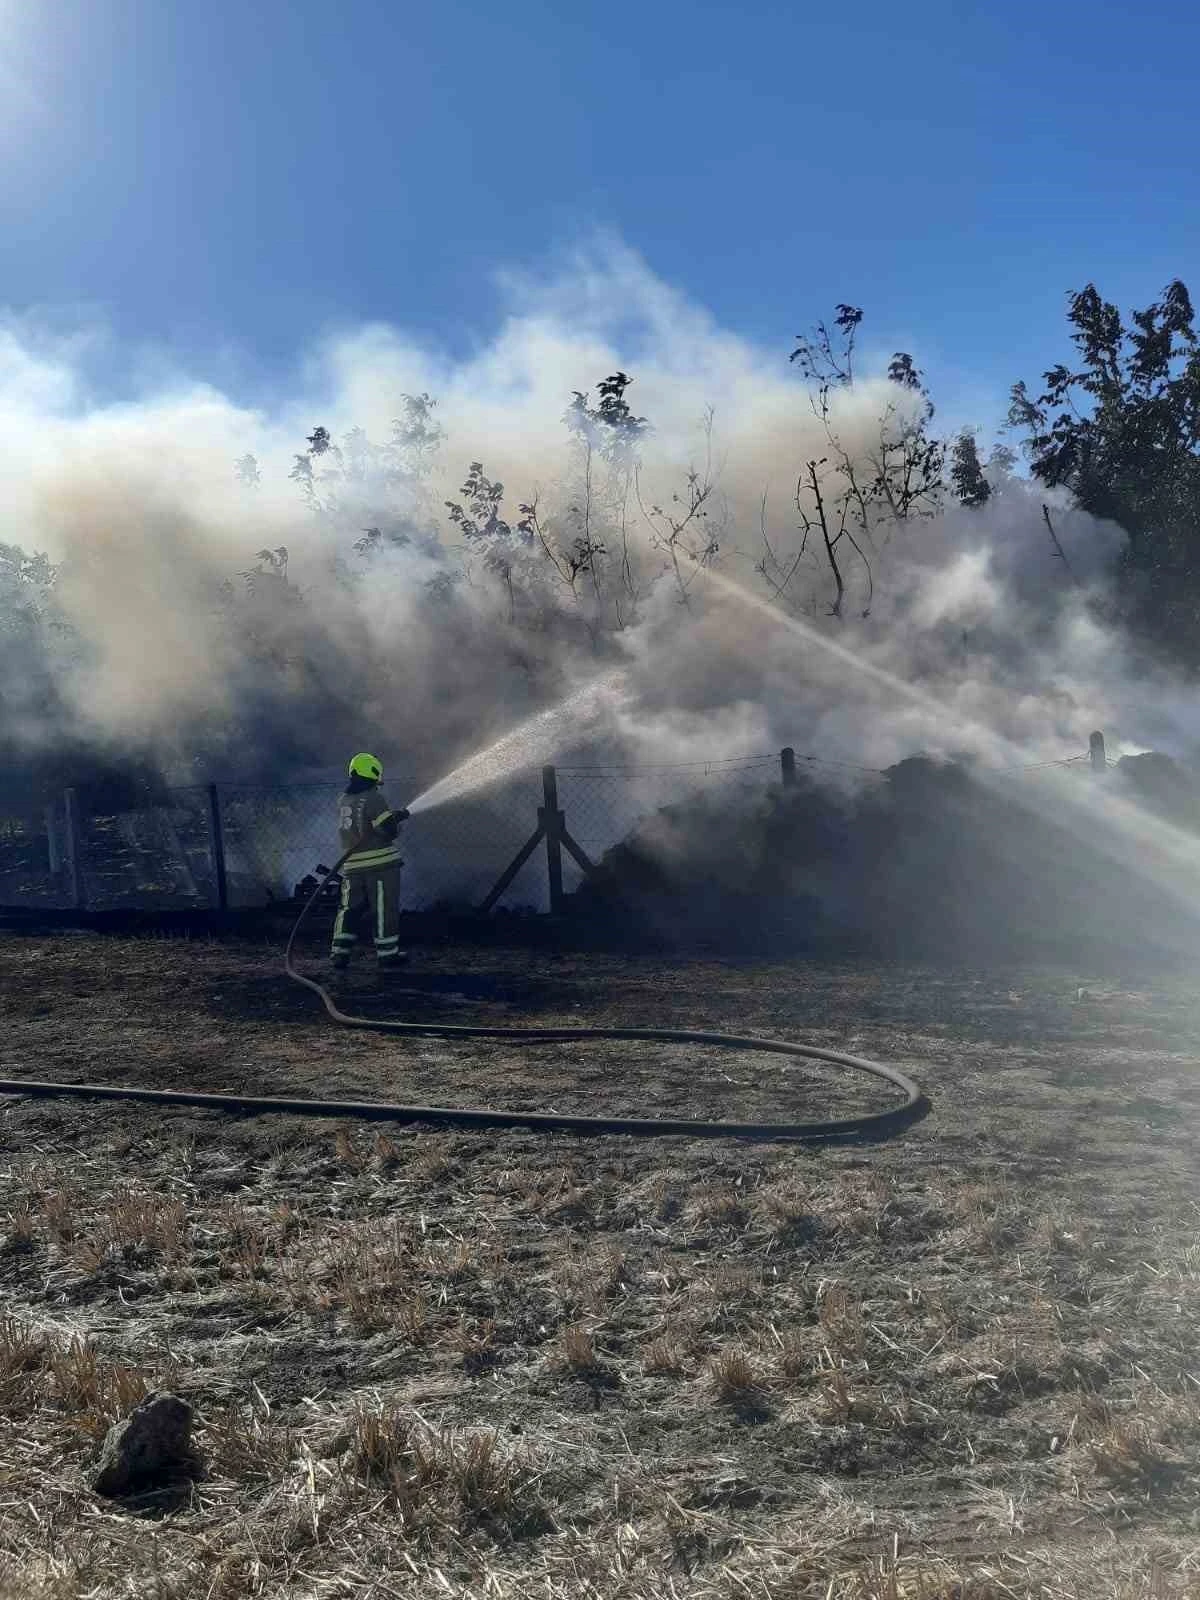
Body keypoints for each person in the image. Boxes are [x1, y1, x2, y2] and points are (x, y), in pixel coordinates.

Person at [330, 753, 410, 974]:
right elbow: (388, 830)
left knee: (348, 909)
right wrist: (397, 820)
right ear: (373, 774)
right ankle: (387, 954)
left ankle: (339, 953)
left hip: (352, 866)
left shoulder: (343, 800)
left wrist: (390, 818)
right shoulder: (374, 798)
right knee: (384, 909)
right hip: (381, 866)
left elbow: (361, 825)